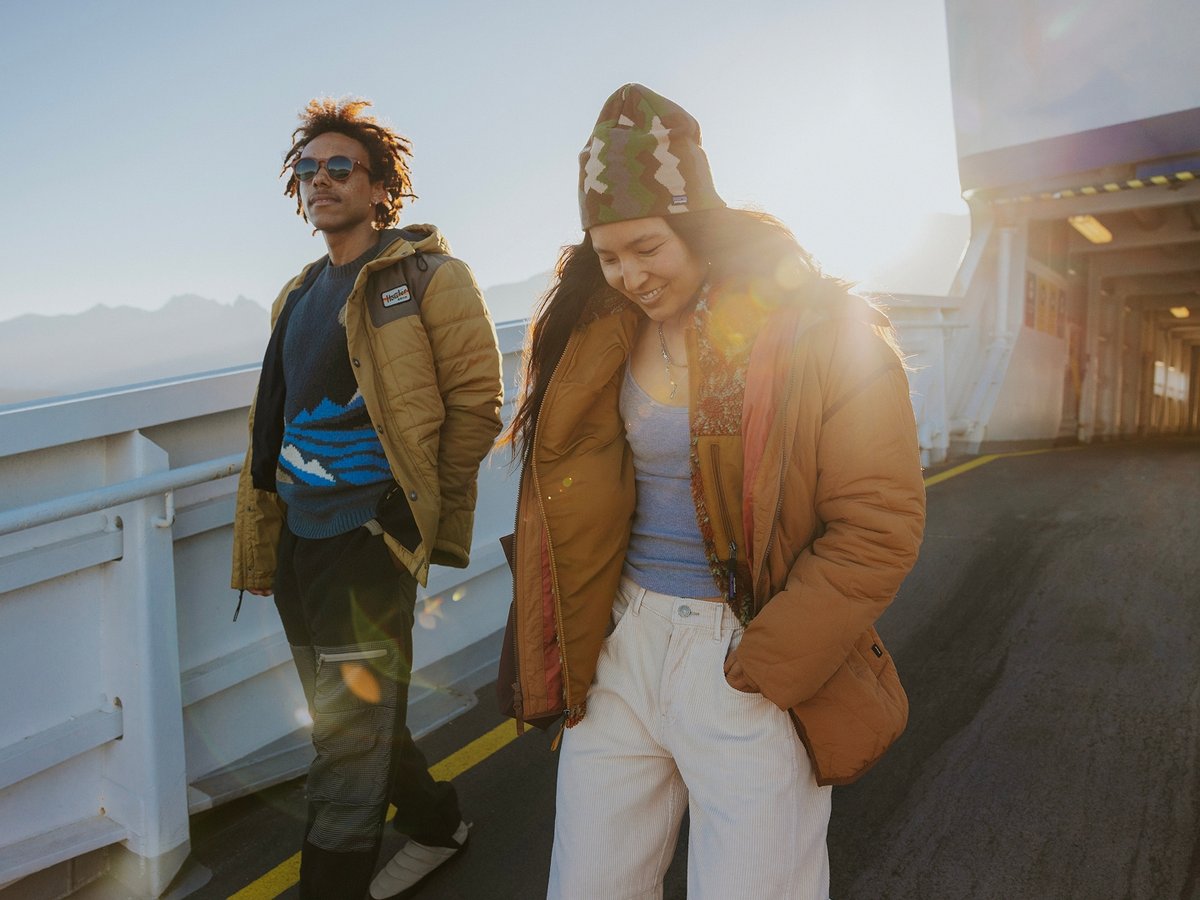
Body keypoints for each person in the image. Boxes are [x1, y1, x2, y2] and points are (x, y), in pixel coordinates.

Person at [503, 84, 926, 899]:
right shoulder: (597, 332)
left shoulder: (814, 328)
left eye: (646, 247)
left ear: (694, 220)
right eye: (608, 254)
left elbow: (879, 523)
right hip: (622, 648)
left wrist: (762, 667)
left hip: (745, 653)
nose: (628, 274)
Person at [231, 97, 503, 900]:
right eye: (307, 170)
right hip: (298, 547)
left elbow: (477, 405)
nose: (320, 181)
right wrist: (262, 542)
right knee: (346, 717)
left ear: (382, 187)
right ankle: (438, 823)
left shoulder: (429, 278)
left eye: (339, 167)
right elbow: (272, 422)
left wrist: (401, 519)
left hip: (365, 544)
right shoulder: (299, 292)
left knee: (345, 747)